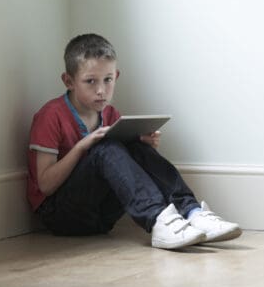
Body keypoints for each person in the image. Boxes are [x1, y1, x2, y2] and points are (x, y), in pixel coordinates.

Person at [27, 33, 242, 249]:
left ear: (116, 76)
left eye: (108, 80)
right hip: (60, 215)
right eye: (90, 81)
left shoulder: (110, 114)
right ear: (69, 81)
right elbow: (45, 185)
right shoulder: (51, 115)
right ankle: (158, 219)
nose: (101, 90)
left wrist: (141, 147)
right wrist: (83, 145)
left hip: (102, 216)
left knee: (133, 144)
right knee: (106, 148)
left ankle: (192, 211)